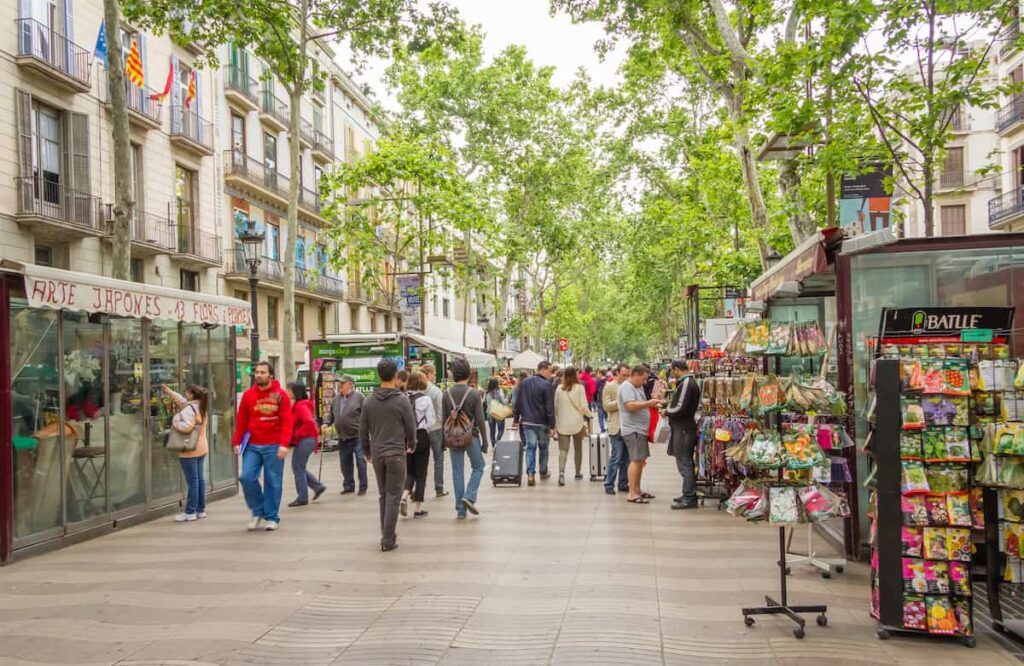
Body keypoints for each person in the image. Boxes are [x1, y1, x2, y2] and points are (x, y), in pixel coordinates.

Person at [359, 358, 416, 552]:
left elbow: (363, 430)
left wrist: (366, 451)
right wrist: (412, 444)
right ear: (395, 376)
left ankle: (386, 532)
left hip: (377, 453)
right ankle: (388, 538)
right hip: (396, 454)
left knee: (384, 495)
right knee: (393, 495)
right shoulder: (401, 400)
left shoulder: (368, 401)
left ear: (378, 374)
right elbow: (411, 427)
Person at [234, 362, 293, 531]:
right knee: (246, 477)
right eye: (257, 372)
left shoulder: (280, 395)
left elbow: (287, 421)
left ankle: (271, 516)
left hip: (273, 444)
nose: (258, 375)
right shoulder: (248, 395)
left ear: (270, 375)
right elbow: (241, 420)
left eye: (262, 372)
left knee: (273, 481)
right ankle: (258, 511)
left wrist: (284, 444)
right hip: (252, 444)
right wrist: (237, 441)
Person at [442, 358, 490, 518]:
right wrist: (485, 441)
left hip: (452, 437)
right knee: (479, 466)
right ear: (468, 373)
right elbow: (481, 420)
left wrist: (443, 441)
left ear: (453, 375)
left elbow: (443, 420)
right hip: (471, 437)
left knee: (457, 472)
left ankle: (460, 510)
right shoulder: (474, 394)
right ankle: (469, 496)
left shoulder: (446, 394)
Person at [163, 384, 209, 522]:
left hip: (189, 449)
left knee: (193, 481)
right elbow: (181, 401)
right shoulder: (200, 405)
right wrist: (169, 391)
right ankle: (200, 510)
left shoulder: (189, 409)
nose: (184, 394)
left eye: (187, 392)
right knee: (200, 479)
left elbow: (187, 427)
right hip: (201, 447)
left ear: (191, 395)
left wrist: (175, 420)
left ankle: (190, 512)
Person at [618, 365, 661, 504]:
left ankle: (637, 489)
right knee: (636, 461)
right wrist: (648, 403)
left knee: (640, 461)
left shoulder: (638, 387)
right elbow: (630, 406)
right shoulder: (627, 387)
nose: (644, 382)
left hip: (640, 429)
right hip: (633, 430)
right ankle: (632, 493)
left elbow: (641, 403)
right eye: (643, 379)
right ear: (635, 375)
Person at [513, 361, 556, 486]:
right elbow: (550, 407)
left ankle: (530, 474)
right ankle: (543, 471)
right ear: (542, 370)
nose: (551, 374)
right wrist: (552, 425)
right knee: (543, 448)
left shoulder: (525, 383)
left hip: (527, 422)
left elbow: (518, 403)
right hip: (542, 422)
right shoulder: (547, 385)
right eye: (549, 371)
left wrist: (516, 419)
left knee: (530, 448)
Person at [666, 360, 702, 510]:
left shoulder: (687, 383)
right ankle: (687, 493)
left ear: (675, 369)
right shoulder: (688, 382)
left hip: (684, 430)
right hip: (684, 428)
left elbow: (680, 407)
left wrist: (666, 410)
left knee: (685, 463)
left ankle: (689, 498)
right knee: (685, 462)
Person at [400, 370, 434, 519]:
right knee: (421, 472)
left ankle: (404, 495)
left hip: (405, 437)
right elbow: (431, 421)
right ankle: (417, 508)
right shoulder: (426, 399)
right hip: (421, 436)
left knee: (410, 470)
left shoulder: (402, 398)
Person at [326, 376, 367, 496]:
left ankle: (363, 487)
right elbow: (330, 415)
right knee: (345, 462)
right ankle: (348, 485)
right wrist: (325, 423)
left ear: (350, 384)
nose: (340, 386)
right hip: (342, 436)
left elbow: (366, 415)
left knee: (360, 461)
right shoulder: (336, 399)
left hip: (357, 436)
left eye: (342, 383)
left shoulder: (359, 397)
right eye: (340, 383)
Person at [286, 382, 326, 507]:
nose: (287, 392)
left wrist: (297, 434)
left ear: (295, 392)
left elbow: (308, 422)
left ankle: (302, 497)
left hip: (305, 439)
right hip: (307, 439)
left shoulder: (300, 406)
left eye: (289, 390)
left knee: (298, 467)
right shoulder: (300, 405)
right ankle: (317, 486)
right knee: (298, 466)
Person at [554, 367, 591, 485]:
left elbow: (555, 406)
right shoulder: (580, 388)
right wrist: (590, 415)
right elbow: (584, 406)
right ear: (576, 375)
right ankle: (577, 472)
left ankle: (561, 473)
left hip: (562, 423)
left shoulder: (559, 389)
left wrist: (556, 421)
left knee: (563, 450)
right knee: (578, 449)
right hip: (577, 423)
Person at [419, 364, 448, 498]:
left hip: (421, 430)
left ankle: (419, 489)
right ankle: (439, 487)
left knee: (421, 460)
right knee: (438, 459)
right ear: (429, 374)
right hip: (436, 429)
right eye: (434, 373)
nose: (435, 376)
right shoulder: (436, 391)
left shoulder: (417, 390)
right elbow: (442, 411)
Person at [602, 364, 631, 496]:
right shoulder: (609, 387)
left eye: (628, 375)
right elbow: (606, 406)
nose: (626, 377)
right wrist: (620, 402)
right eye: (624, 374)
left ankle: (623, 483)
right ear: (617, 373)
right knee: (616, 457)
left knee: (626, 459)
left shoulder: (631, 387)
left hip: (629, 427)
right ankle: (609, 483)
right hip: (616, 427)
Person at [484, 377, 509, 444]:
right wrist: (507, 400)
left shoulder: (487, 393)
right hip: (498, 413)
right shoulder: (499, 391)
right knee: (501, 430)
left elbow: (484, 402)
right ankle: (497, 441)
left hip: (490, 414)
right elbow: (503, 402)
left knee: (492, 432)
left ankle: (493, 446)